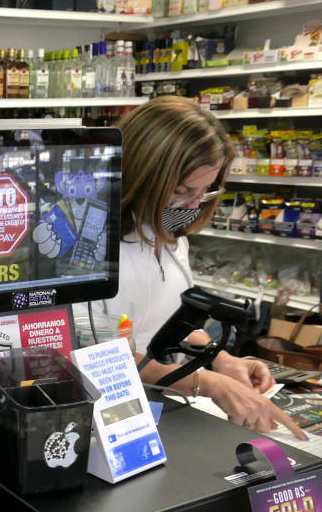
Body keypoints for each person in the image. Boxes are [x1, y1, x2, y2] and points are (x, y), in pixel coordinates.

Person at [90, 96, 305, 439]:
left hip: (164, 409)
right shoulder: (92, 247)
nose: (192, 205)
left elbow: (171, 322)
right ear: (140, 173)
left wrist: (220, 360)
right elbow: (99, 357)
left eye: (205, 191)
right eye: (182, 190)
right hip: (109, 418)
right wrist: (206, 382)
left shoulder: (171, 236)